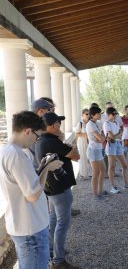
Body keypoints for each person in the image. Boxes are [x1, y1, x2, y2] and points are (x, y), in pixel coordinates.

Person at [0, 111, 63, 269]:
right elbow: (33, 195)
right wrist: (48, 168)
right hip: (31, 228)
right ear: (27, 131)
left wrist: (42, 168)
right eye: (37, 135)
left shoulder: (6, 151)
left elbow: (25, 186)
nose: (36, 140)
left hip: (22, 224)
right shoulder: (17, 156)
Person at [35, 112, 80, 268]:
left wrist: (61, 140)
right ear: (52, 125)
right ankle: (58, 261)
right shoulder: (51, 141)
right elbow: (76, 156)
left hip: (51, 188)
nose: (60, 126)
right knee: (63, 223)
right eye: (58, 123)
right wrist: (72, 146)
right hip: (60, 188)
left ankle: (52, 250)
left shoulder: (41, 140)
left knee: (54, 220)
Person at [103, 107, 128, 193]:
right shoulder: (106, 124)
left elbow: (118, 133)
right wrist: (117, 134)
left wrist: (116, 135)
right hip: (111, 145)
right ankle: (113, 187)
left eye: (116, 113)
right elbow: (113, 136)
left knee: (125, 165)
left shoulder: (116, 122)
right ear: (109, 115)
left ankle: (126, 184)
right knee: (111, 166)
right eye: (114, 114)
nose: (115, 115)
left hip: (117, 144)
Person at [86, 106, 106, 200]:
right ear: (92, 115)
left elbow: (102, 137)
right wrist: (102, 139)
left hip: (98, 149)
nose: (100, 115)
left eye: (100, 113)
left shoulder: (97, 123)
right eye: (98, 113)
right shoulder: (90, 124)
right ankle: (95, 194)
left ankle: (100, 191)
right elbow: (101, 138)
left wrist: (101, 139)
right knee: (96, 172)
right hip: (93, 150)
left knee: (103, 170)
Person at [74, 108, 92, 179]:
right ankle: (83, 174)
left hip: (90, 142)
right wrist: (87, 134)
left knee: (90, 157)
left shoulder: (91, 123)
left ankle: (91, 172)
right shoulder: (80, 123)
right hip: (82, 143)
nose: (88, 115)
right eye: (86, 114)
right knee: (83, 158)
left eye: (89, 114)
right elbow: (77, 134)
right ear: (82, 115)